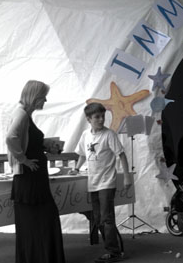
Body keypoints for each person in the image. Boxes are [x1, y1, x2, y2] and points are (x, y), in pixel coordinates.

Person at [5, 80, 65, 263]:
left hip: (33, 179)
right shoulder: (22, 114)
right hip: (30, 180)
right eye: (43, 97)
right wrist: (24, 159)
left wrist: (45, 145)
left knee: (38, 222)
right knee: (43, 220)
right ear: (35, 97)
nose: (45, 100)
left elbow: (25, 141)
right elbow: (10, 138)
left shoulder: (24, 114)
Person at [71, 102, 133, 263]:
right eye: (97, 117)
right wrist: (76, 169)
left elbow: (121, 155)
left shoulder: (109, 135)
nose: (100, 119)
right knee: (98, 219)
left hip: (107, 183)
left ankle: (114, 252)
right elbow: (83, 155)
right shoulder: (85, 135)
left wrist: (126, 176)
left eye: (102, 116)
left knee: (107, 218)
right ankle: (113, 248)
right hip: (93, 183)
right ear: (88, 119)